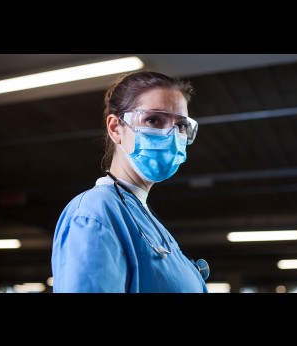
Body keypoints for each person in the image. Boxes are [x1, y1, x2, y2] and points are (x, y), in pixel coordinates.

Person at [51, 71, 209, 293]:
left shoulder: (141, 214)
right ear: (116, 128)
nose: (172, 136)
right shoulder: (94, 213)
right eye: (153, 120)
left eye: (181, 125)